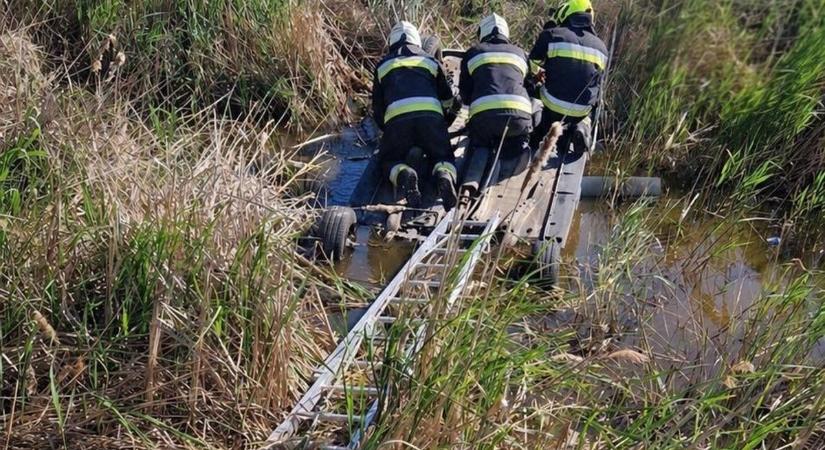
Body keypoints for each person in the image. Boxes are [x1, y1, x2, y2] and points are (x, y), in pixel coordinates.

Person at [372, 21, 460, 210]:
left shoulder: (382, 66)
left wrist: (388, 132)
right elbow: (447, 98)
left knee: (388, 161)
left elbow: (378, 110)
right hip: (431, 120)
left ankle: (404, 173)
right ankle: (444, 174)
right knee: (443, 156)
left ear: (391, 42)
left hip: (397, 123)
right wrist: (443, 123)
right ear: (417, 41)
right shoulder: (430, 61)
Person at [527, 0, 608, 150]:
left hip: (552, 103)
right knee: (583, 112)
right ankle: (580, 128)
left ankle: (538, 126)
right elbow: (596, 82)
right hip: (581, 109)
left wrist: (539, 72)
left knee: (537, 97)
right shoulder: (602, 48)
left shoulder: (552, 34)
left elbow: (532, 62)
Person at [459, 14, 533, 158]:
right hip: (518, 120)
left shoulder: (472, 53)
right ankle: (516, 148)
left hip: (483, 121)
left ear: (482, 33)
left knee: (482, 146)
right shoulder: (521, 54)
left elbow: (466, 96)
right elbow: (530, 89)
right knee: (514, 148)